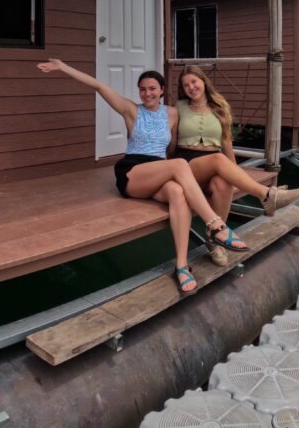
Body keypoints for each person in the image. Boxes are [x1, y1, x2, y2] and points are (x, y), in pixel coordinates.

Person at [37, 58, 249, 295]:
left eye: (152, 89)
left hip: (158, 170)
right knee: (179, 165)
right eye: (142, 89)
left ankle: (181, 264)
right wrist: (64, 67)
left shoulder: (171, 113)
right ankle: (214, 224)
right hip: (133, 170)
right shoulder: (131, 110)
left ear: (160, 91)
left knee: (177, 192)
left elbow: (173, 147)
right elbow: (100, 87)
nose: (147, 93)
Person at [174, 66, 299, 265]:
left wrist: (233, 175)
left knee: (223, 184)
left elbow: (226, 143)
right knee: (218, 161)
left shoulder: (219, 107)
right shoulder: (179, 107)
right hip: (187, 163)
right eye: (186, 85)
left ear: (203, 81)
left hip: (215, 163)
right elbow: (170, 140)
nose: (191, 87)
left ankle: (215, 242)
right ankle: (267, 195)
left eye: (194, 81)